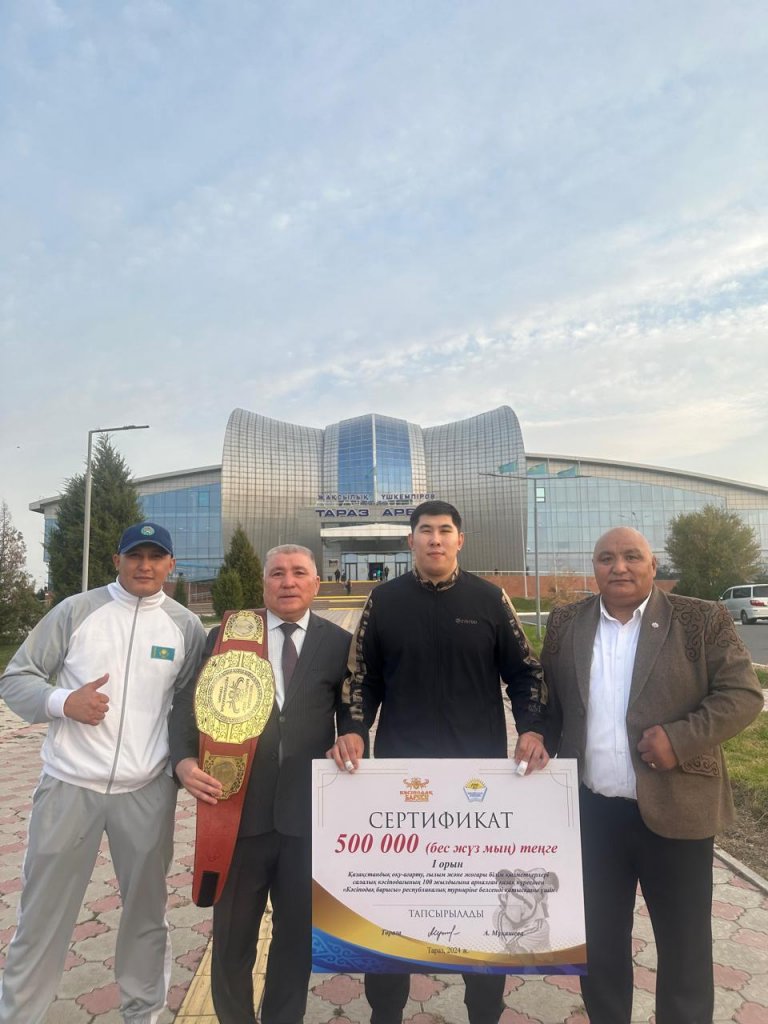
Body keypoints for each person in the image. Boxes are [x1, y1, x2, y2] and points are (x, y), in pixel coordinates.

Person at [329, 500, 549, 1024]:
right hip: (401, 784)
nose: (435, 539)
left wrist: (532, 726)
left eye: (445, 530)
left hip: (479, 785)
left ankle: (485, 1011)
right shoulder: (384, 601)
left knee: (479, 905)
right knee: (394, 905)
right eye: (425, 530)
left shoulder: (489, 599)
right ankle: (386, 1012)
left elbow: (526, 671)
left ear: (459, 540)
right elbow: (361, 679)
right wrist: (354, 730)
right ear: (410, 541)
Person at [541, 526, 763, 1024]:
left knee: (685, 948)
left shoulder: (700, 618)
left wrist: (679, 740)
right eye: (606, 558)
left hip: (678, 811)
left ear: (653, 566)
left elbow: (743, 695)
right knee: (599, 944)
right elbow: (549, 699)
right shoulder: (566, 622)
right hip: (592, 815)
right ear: (594, 568)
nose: (618, 567)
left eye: (631, 556)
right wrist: (535, 735)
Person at [0, 521, 206, 1024]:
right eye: (135, 556)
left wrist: (182, 764)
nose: (144, 566)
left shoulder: (186, 627)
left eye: (155, 557)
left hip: (146, 790)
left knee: (146, 915)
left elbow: (190, 708)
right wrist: (62, 701)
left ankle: (143, 1013)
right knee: (42, 915)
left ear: (171, 565)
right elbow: (17, 677)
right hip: (69, 786)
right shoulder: (77, 611)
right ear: (117, 560)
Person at [171, 544, 358, 1024]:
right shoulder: (229, 636)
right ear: (263, 583)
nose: (288, 582)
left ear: (316, 583)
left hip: (306, 820)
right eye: (277, 573)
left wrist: (353, 736)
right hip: (236, 815)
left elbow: (350, 713)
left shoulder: (338, 643)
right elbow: (187, 705)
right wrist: (183, 762)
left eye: (298, 573)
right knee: (232, 941)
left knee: (295, 942)